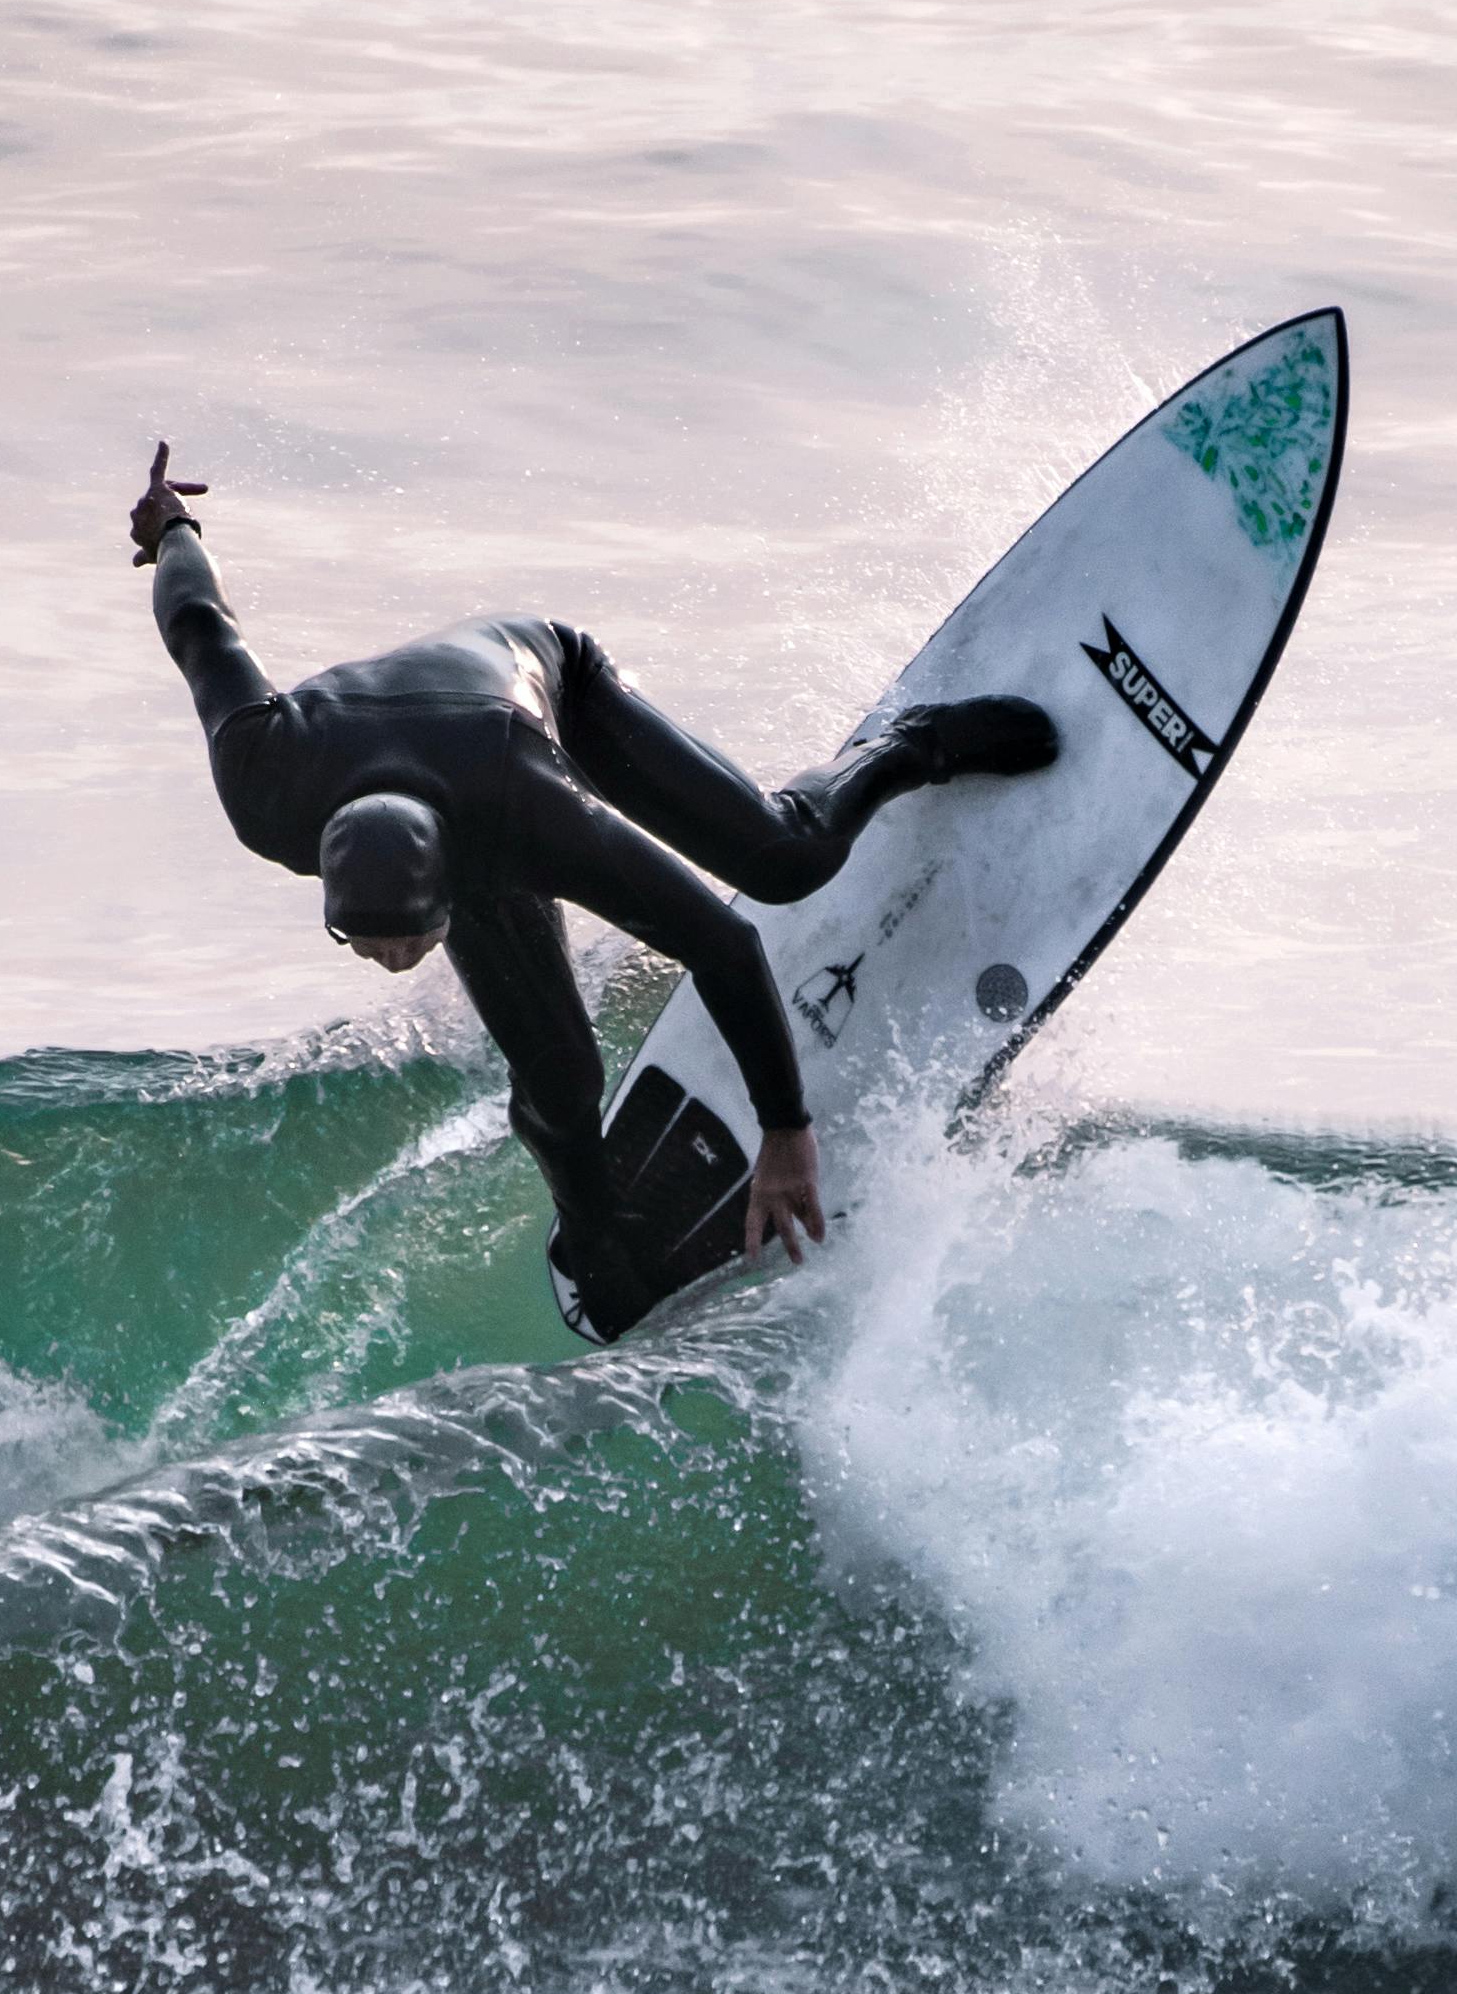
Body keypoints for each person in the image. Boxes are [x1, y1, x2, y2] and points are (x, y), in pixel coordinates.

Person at [127, 441, 1054, 1331]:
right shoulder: (264, 780)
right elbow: (200, 628)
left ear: (440, 894)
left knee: (781, 862)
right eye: (362, 943)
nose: (386, 963)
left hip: (540, 693)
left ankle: (911, 747)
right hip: (447, 791)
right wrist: (173, 529)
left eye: (403, 942)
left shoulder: (530, 808)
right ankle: (592, 1226)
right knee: (558, 1075)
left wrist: (785, 1129)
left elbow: (720, 943)